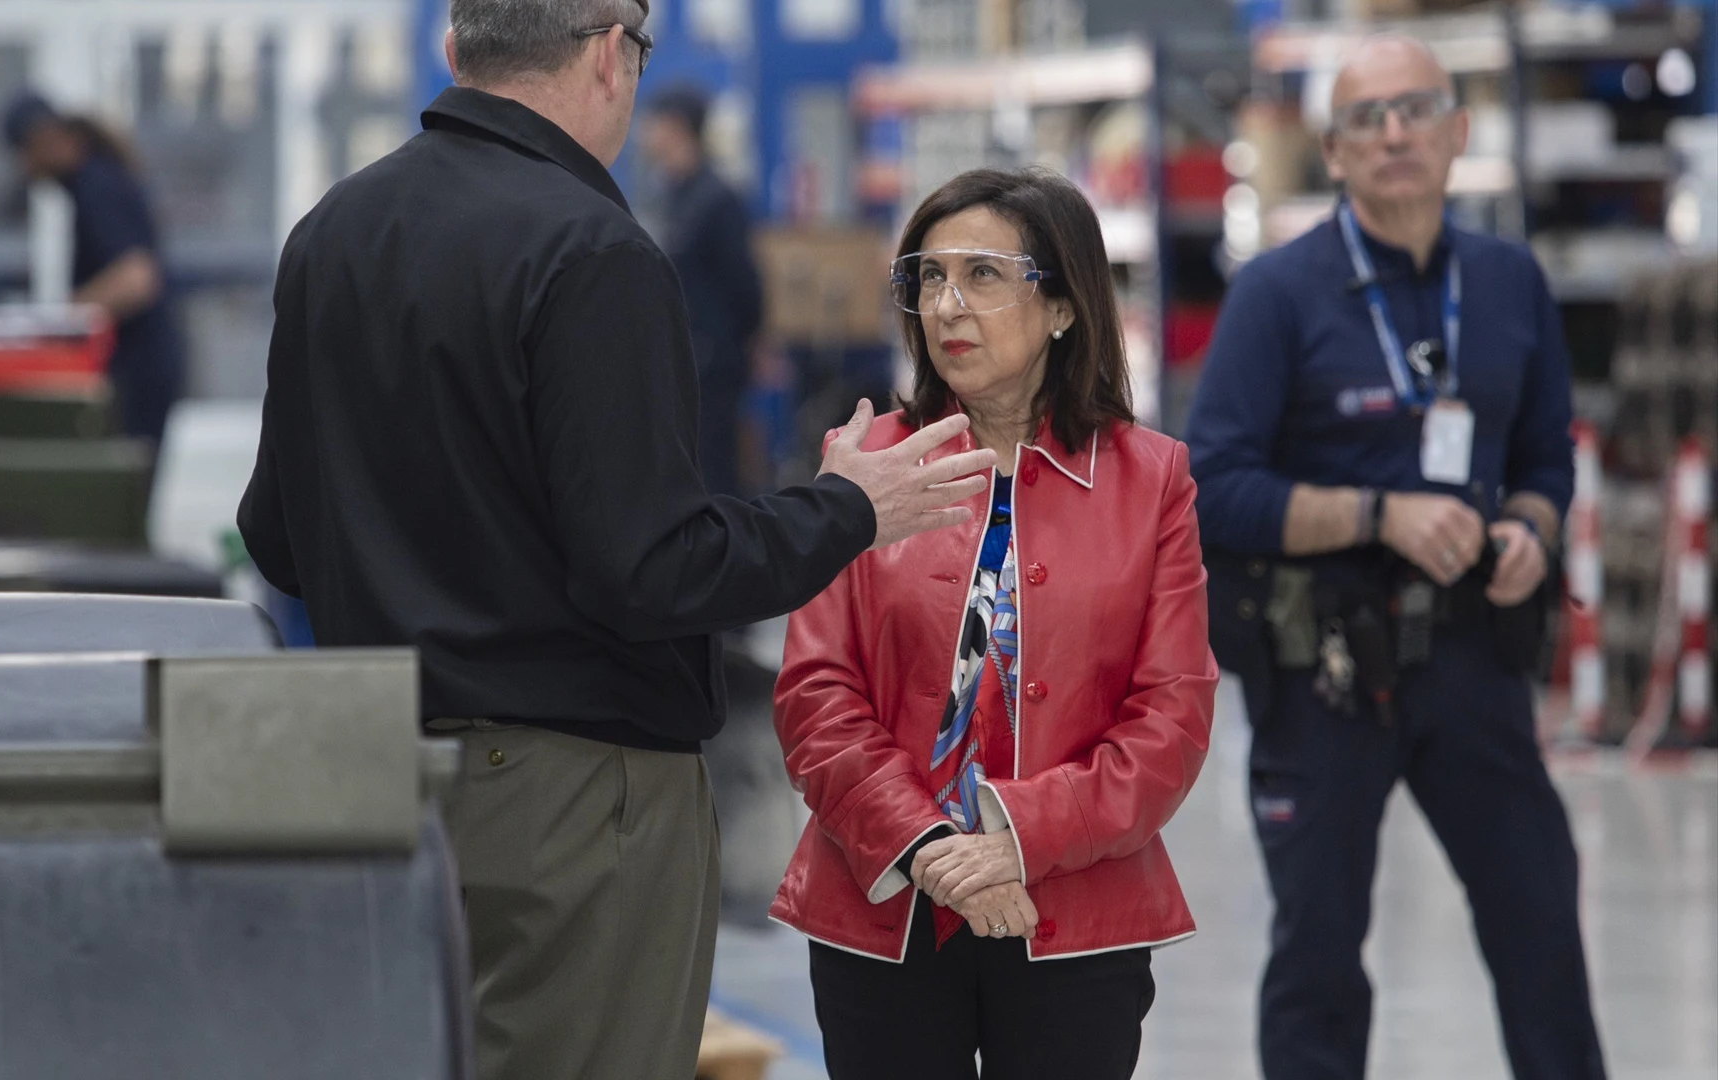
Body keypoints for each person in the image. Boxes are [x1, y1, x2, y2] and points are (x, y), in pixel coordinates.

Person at [233, 1, 997, 1077]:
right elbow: (651, 568)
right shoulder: (592, 251)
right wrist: (848, 506)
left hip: (386, 778)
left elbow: (275, 534)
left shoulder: (333, 232)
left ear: (459, 52)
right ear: (608, 54)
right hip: (574, 806)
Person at [1184, 34, 1606, 1080]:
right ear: (1332, 151)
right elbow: (1212, 491)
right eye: (1367, 118)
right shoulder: (1277, 295)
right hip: (1323, 670)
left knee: (1542, 926)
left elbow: (1548, 457)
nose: (1395, 133)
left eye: (1416, 108)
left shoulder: (1508, 283)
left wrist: (1531, 530)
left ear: (1459, 132)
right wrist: (1379, 515)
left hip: (1473, 663)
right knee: (1320, 961)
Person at [770, 167, 1218, 1080]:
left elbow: (1171, 721)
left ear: (1061, 305)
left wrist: (1015, 837)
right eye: (929, 278)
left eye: (981, 275)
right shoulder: (865, 465)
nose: (946, 306)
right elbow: (816, 696)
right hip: (885, 894)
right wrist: (930, 846)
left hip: (1072, 904)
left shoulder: (1152, 480)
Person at [0, 91, 185, 444]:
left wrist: (63, 318)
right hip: (139, 365)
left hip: (140, 369)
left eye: (23, 154)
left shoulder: (96, 185)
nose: (24, 169)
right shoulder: (93, 179)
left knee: (126, 488)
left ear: (42, 140)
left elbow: (137, 278)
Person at [640, 83, 765, 496]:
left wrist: (742, 344)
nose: (643, 133)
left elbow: (746, 287)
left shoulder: (715, 200)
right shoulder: (668, 197)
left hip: (711, 365)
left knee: (714, 475)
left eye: (652, 123)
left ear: (677, 128)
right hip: (679, 361)